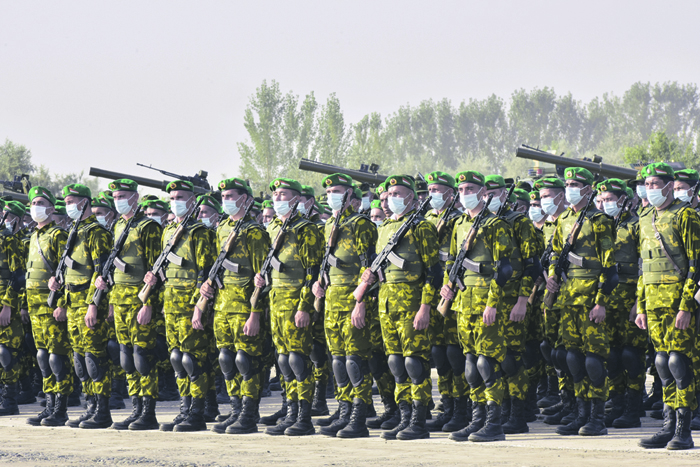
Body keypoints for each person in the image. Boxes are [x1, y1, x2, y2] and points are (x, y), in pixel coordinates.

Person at [357, 174, 440, 440]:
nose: (393, 199)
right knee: (395, 362)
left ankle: (418, 420)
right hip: (386, 305)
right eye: (390, 194)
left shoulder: (422, 227)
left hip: (412, 305)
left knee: (414, 363)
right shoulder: (383, 228)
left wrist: (425, 307)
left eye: (399, 194)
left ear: (412, 198)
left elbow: (433, 273)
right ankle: (404, 417)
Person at [440, 170, 513, 443]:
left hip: (486, 304)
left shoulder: (495, 225)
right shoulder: (459, 224)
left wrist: (493, 304)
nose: (464, 193)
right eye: (461, 189)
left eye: (470, 188)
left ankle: (495, 423)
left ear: (483, 193)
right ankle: (477, 419)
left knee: (487, 363)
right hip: (462, 303)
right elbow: (451, 262)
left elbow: (503, 269)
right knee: (470, 364)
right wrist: (447, 285)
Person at [547, 167, 617, 437]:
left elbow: (609, 268)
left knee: (593, 361)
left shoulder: (598, 220)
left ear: (589, 189)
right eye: (568, 184)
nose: (570, 188)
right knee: (573, 359)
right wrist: (553, 276)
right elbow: (555, 253)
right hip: (568, 298)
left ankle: (597, 417)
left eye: (576, 184)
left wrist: (600, 302)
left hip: (590, 300)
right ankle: (581, 413)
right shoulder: (564, 218)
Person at [142, 180, 216, 432]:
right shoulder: (168, 231)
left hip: (190, 306)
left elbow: (206, 273)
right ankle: (184, 408)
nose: (176, 201)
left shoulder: (200, 233)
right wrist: (155, 279)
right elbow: (168, 270)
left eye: (181, 197)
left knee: (192, 359)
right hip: (170, 305)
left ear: (193, 201)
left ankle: (198, 411)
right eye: (172, 198)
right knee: (176, 358)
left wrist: (199, 307)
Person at [636, 162, 700, 450]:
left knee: (678, 363)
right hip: (653, 305)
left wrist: (686, 306)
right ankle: (668, 425)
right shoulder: (645, 218)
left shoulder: (685, 216)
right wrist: (640, 307)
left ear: (668, 185)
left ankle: (684, 431)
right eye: (647, 184)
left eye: (655, 184)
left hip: (678, 305)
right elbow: (643, 267)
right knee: (662, 363)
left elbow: (695, 266)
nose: (650, 189)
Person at [200, 177, 270, 434]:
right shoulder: (221, 229)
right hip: (221, 306)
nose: (227, 200)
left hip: (244, 307)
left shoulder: (254, 232)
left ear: (246, 199)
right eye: (224, 196)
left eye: (231, 196)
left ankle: (249, 414)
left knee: (246, 360)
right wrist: (207, 285)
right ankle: (235, 408)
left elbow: (263, 278)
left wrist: (255, 313)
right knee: (226, 359)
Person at [255, 177, 324, 437]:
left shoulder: (306, 230)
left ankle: (304, 417)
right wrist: (261, 279)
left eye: (284, 195)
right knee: (283, 360)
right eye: (277, 195)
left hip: (296, 303)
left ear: (296, 198)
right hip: (276, 302)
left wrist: (305, 307)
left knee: (298, 360)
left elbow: (312, 273)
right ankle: (291, 411)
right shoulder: (272, 228)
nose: (279, 199)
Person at [312, 173, 377, 438]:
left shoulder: (361, 224)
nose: (332, 196)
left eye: (337, 191)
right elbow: (326, 261)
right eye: (328, 193)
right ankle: (344, 409)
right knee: (337, 360)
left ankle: (359, 417)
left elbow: (368, 267)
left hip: (353, 301)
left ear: (350, 195)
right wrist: (319, 283)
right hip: (331, 302)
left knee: (354, 361)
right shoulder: (329, 225)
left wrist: (360, 303)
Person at [96, 179, 163, 431]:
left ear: (135, 198)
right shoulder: (117, 226)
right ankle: (136, 408)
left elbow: (156, 271)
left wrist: (149, 304)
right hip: (120, 302)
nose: (118, 199)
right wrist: (111, 301)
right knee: (126, 357)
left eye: (123, 195)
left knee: (142, 356)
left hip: (139, 303)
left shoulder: (147, 227)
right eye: (115, 196)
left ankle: (148, 412)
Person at [484, 175, 540, 435]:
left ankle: (518, 413)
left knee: (512, 359)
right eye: (485, 192)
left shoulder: (519, 222)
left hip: (511, 301)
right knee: (493, 360)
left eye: (492, 192)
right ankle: (503, 410)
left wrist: (522, 301)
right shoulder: (480, 221)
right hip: (487, 301)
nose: (487, 196)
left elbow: (531, 265)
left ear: (505, 194)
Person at [423, 171, 471, 433]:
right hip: (433, 292)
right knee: (438, 354)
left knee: (455, 354)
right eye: (430, 190)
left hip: (453, 291)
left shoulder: (458, 220)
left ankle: (461, 408)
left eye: (437, 190)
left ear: (451, 194)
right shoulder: (427, 218)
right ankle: (447, 404)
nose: (433, 195)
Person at [596, 181, 646, 429]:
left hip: (630, 298)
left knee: (631, 356)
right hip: (607, 299)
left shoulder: (636, 225)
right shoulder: (602, 225)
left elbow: (643, 265)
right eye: (602, 200)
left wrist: (639, 302)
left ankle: (632, 409)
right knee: (611, 355)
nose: (606, 204)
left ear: (623, 200)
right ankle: (615, 405)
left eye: (609, 199)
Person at [24, 187, 72, 427]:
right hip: (35, 308)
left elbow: (65, 273)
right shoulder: (34, 235)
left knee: (56, 357)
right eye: (33, 202)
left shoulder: (58, 235)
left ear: (52, 208)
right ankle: (49, 404)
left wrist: (62, 304)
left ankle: (61, 409)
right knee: (42, 356)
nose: (36, 207)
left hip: (52, 307)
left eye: (41, 202)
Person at [0, 201, 28, 416]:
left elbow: (18, 276)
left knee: (6, 352)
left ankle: (10, 401)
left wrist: (8, 306)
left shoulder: (8, 239)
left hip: (5, 303)